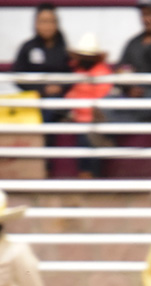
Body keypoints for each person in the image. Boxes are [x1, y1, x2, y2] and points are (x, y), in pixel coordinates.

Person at [63, 33, 113, 178]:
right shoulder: (78, 71)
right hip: (79, 117)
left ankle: (90, 174)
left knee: (88, 137)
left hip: (95, 119)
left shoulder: (102, 73)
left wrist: (80, 112)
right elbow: (71, 94)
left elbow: (102, 98)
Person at [11, 2, 71, 121]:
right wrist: (42, 89)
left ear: (57, 23)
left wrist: (60, 88)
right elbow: (17, 76)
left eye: (51, 21)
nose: (47, 26)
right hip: (33, 98)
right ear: (36, 23)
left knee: (53, 105)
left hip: (59, 98)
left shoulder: (64, 49)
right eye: (43, 21)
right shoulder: (28, 47)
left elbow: (71, 75)